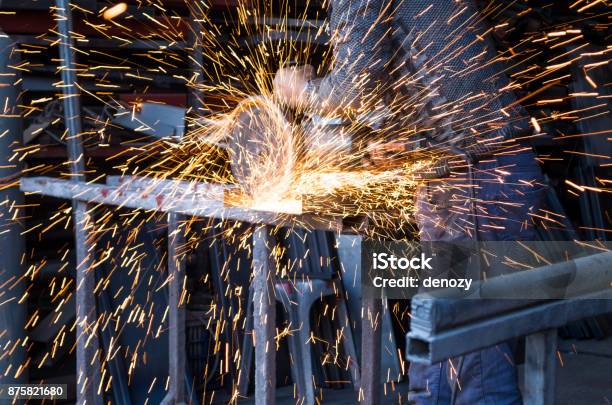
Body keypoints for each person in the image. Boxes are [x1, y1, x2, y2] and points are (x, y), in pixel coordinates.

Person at [273, 0, 545, 403]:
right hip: (472, 175)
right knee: (445, 338)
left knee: (473, 360)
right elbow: (406, 80)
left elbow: (355, 89)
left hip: (477, 179)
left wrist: (300, 90)